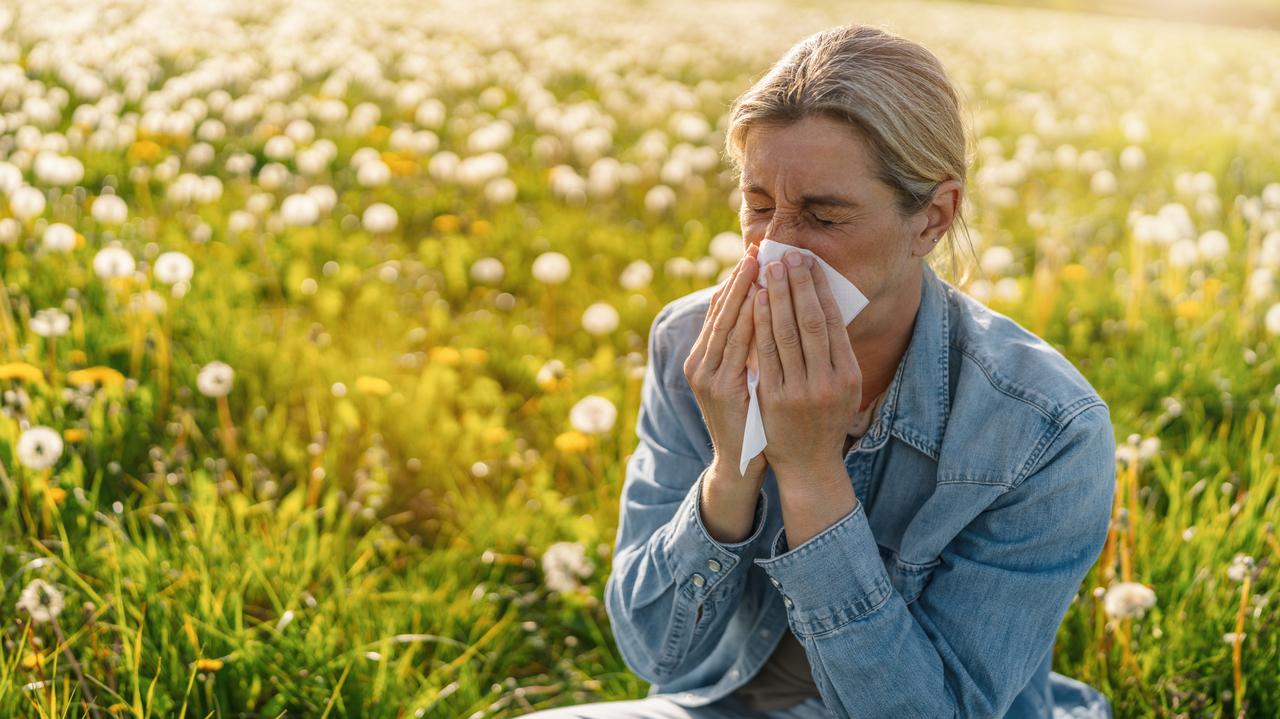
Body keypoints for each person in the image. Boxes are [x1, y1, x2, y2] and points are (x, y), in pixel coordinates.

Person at [525, 22, 1115, 719]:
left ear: (931, 219)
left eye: (823, 215)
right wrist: (731, 468)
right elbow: (658, 655)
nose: (774, 247)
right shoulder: (694, 345)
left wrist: (809, 474)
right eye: (759, 206)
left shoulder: (1044, 429)